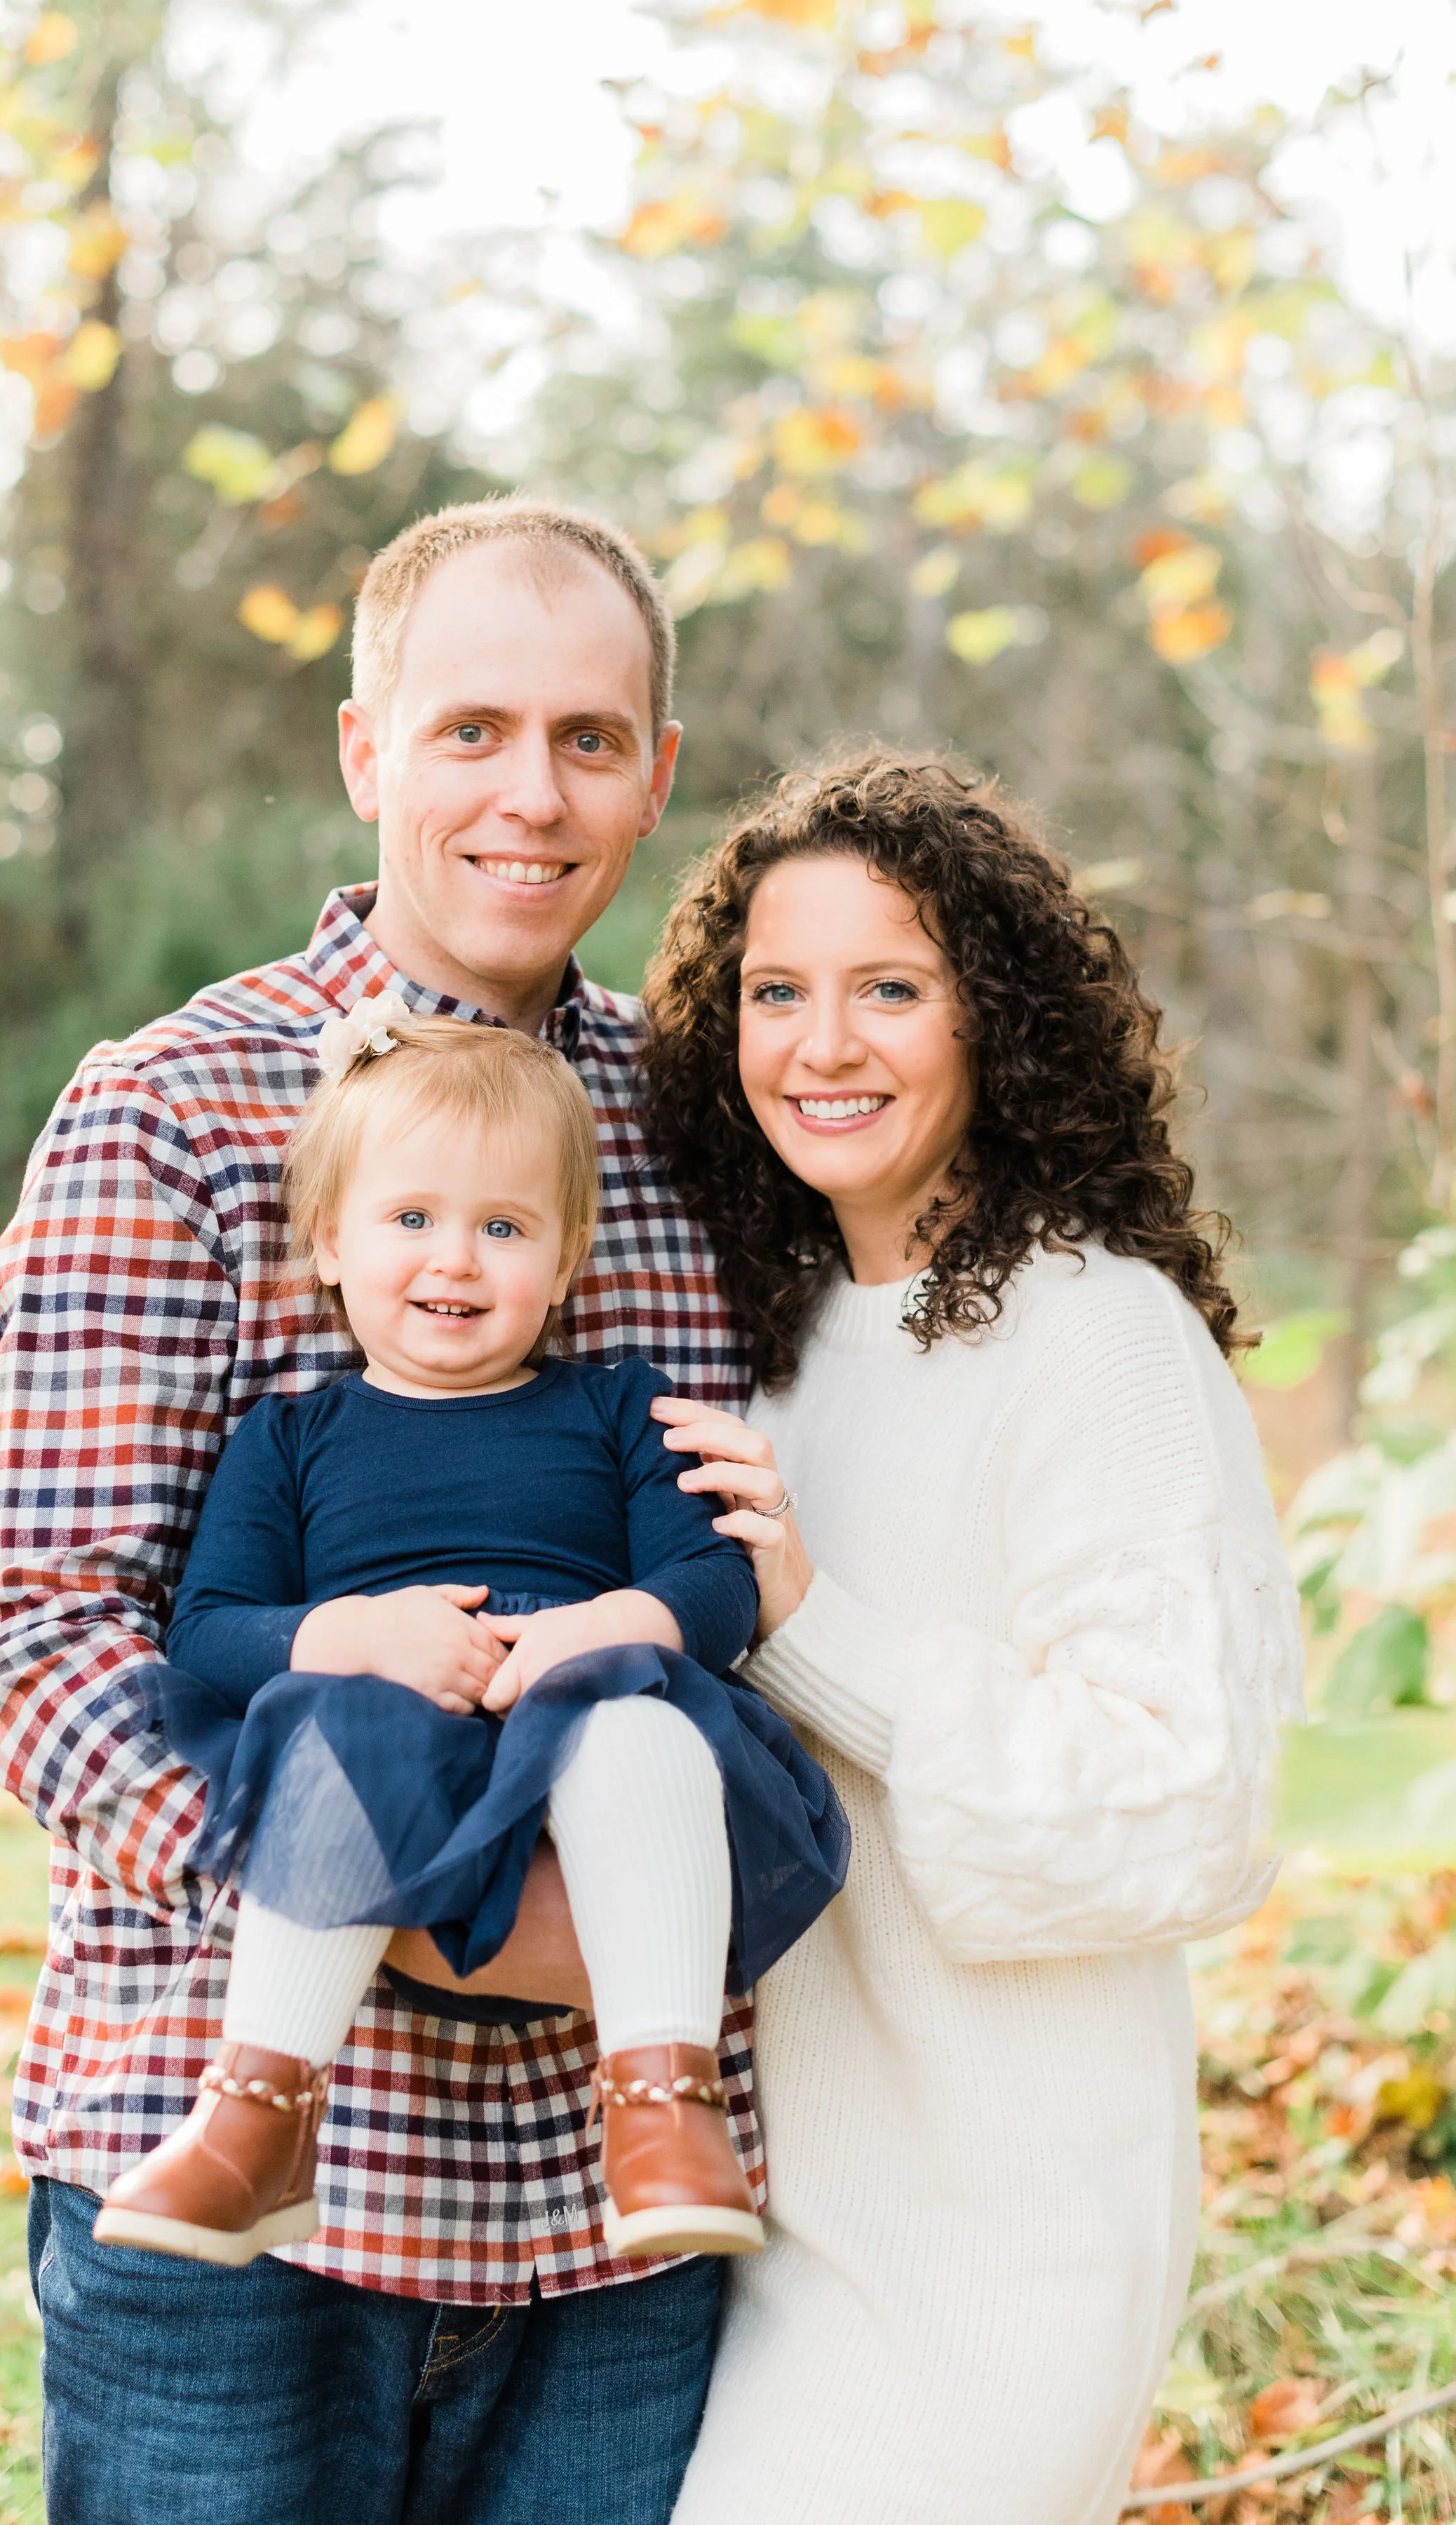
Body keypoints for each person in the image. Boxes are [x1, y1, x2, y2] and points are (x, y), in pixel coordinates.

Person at [0, 499, 764, 2525]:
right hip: (235, 2194)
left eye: (589, 739)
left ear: (656, 778)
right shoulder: (180, 1108)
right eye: (469, 727)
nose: (530, 793)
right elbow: (36, 1636)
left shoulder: (708, 1138)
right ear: (363, 749)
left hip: (622, 2224)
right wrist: (415, 1911)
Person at [638, 750, 1305, 2525]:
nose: (821, 1046)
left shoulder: (1094, 1339)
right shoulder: (764, 1338)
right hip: (771, 2212)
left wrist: (803, 1624)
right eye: (776, 991)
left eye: (890, 990)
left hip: (1006, 2235)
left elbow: (1182, 1797)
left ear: (994, 1018)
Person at [90, 1014, 844, 2268]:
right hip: (396, 1745)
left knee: (637, 1728)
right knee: (334, 1737)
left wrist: (613, 1624)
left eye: (503, 1228)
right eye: (410, 1220)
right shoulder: (289, 1438)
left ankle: (663, 2106)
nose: (456, 1259)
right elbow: (211, 1631)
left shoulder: (618, 1405)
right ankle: (256, 2122)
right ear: (329, 1243)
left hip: (586, 1724)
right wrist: (350, 1635)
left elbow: (712, 1584)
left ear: (564, 1262)